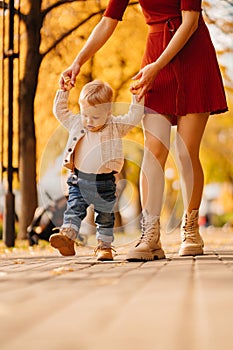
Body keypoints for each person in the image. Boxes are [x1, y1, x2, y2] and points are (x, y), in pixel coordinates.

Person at [59, 0, 228, 261]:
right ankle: (151, 235)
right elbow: (108, 21)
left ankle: (191, 228)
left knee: (185, 151)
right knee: (154, 148)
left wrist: (157, 66)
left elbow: (190, 21)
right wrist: (77, 61)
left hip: (193, 53)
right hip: (155, 56)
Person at [49, 79, 144, 260]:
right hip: (78, 180)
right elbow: (60, 112)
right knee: (74, 209)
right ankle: (67, 238)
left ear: (108, 113)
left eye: (95, 117)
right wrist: (64, 91)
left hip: (104, 182)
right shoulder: (77, 123)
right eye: (86, 115)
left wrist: (136, 96)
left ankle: (104, 247)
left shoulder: (115, 126)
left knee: (105, 216)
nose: (89, 121)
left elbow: (134, 117)